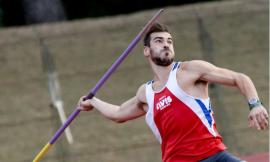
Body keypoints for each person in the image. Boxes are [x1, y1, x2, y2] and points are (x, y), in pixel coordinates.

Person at [78, 23, 268, 162]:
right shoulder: (145, 93)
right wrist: (93, 102)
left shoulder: (189, 71)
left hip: (213, 157)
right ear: (147, 51)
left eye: (169, 41)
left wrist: (255, 104)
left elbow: (239, 78)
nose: (166, 45)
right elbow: (118, 113)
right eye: (159, 41)